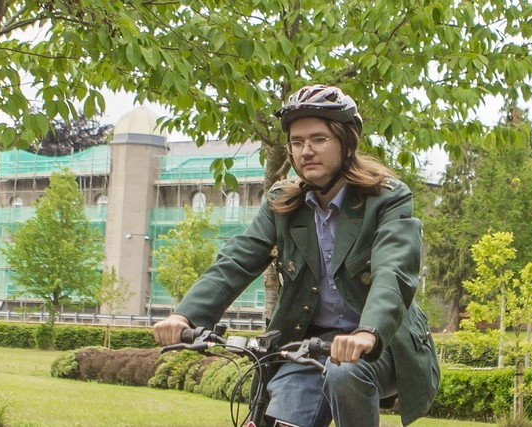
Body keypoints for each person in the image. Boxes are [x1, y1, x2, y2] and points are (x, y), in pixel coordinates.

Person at [152, 85, 440, 427]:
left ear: (346, 143)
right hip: (307, 346)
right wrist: (186, 316)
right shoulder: (282, 204)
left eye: (319, 139)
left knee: (344, 373)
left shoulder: (386, 199)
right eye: (297, 142)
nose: (306, 151)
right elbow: (237, 260)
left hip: (381, 343)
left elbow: (393, 271)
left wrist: (368, 332)